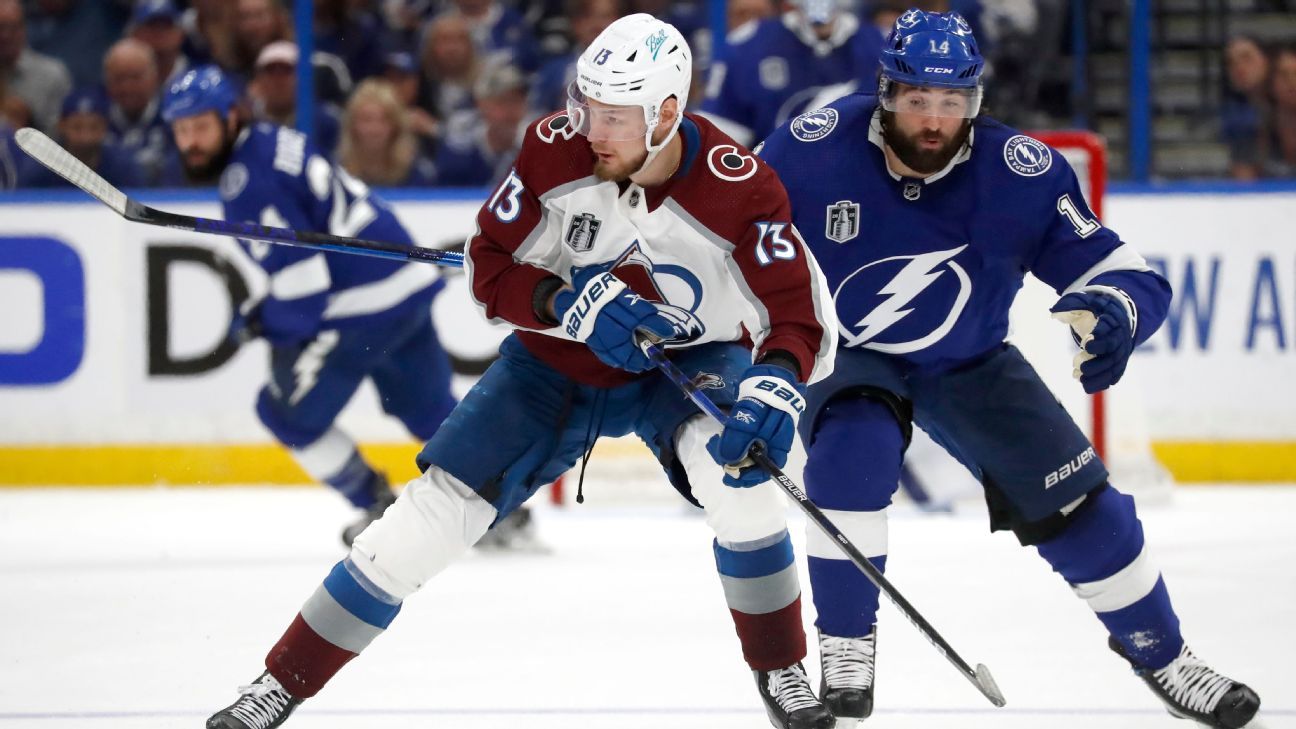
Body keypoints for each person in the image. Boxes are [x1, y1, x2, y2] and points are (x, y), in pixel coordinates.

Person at [204, 15, 840, 729]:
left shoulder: (741, 187)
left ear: (667, 113)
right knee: (422, 520)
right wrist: (565, 300)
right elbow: (489, 270)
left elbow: (795, 312)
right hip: (552, 370)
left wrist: (775, 386)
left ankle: (782, 671)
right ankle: (277, 683)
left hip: (687, 366)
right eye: (586, 104)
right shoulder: (553, 149)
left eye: (613, 114)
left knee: (746, 488)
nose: (590, 127)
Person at [755, 10, 1262, 728]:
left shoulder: (1018, 173)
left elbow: (1124, 270)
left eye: (952, 102)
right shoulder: (809, 151)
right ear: (886, 91)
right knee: (853, 450)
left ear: (976, 101)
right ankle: (845, 643)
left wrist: (1114, 309)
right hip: (845, 350)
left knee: (1091, 511)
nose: (934, 120)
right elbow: (734, 249)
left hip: (967, 359)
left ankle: (1166, 655)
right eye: (917, 100)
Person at [160, 65, 457, 547]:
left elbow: (303, 294)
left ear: (230, 116)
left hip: (362, 307)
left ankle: (375, 504)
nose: (190, 141)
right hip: (406, 284)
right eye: (182, 130)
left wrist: (259, 322)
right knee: (430, 413)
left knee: (286, 414)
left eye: (201, 126)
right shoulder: (268, 140)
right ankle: (500, 509)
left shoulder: (246, 183)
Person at [700, 0, 882, 147]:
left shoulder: (884, 45)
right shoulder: (748, 45)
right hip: (775, 182)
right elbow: (718, 143)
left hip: (857, 182)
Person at [18, 87, 144, 189]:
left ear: (105, 127)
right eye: (77, 127)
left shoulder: (123, 167)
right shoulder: (41, 167)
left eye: (94, 127)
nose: (85, 137)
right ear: (61, 126)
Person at [432, 61, 528, 186]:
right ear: (482, 105)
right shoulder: (459, 152)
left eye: (517, 102)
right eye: (503, 102)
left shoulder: (537, 151)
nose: (511, 111)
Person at [336, 78, 436, 187]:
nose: (374, 129)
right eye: (366, 119)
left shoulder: (418, 173)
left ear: (396, 126)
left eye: (383, 120)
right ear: (352, 125)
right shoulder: (336, 173)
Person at [102, 38, 170, 185]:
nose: (128, 87)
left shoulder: (174, 120)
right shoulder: (95, 121)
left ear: (155, 77)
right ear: (107, 80)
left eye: (135, 77)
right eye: (119, 78)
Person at [0, 0, 71, 134]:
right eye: (0, 28)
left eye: (12, 27)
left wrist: (30, 124)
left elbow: (61, 137)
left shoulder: (52, 75)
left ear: (24, 28)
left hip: (33, 152)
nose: (5, 35)